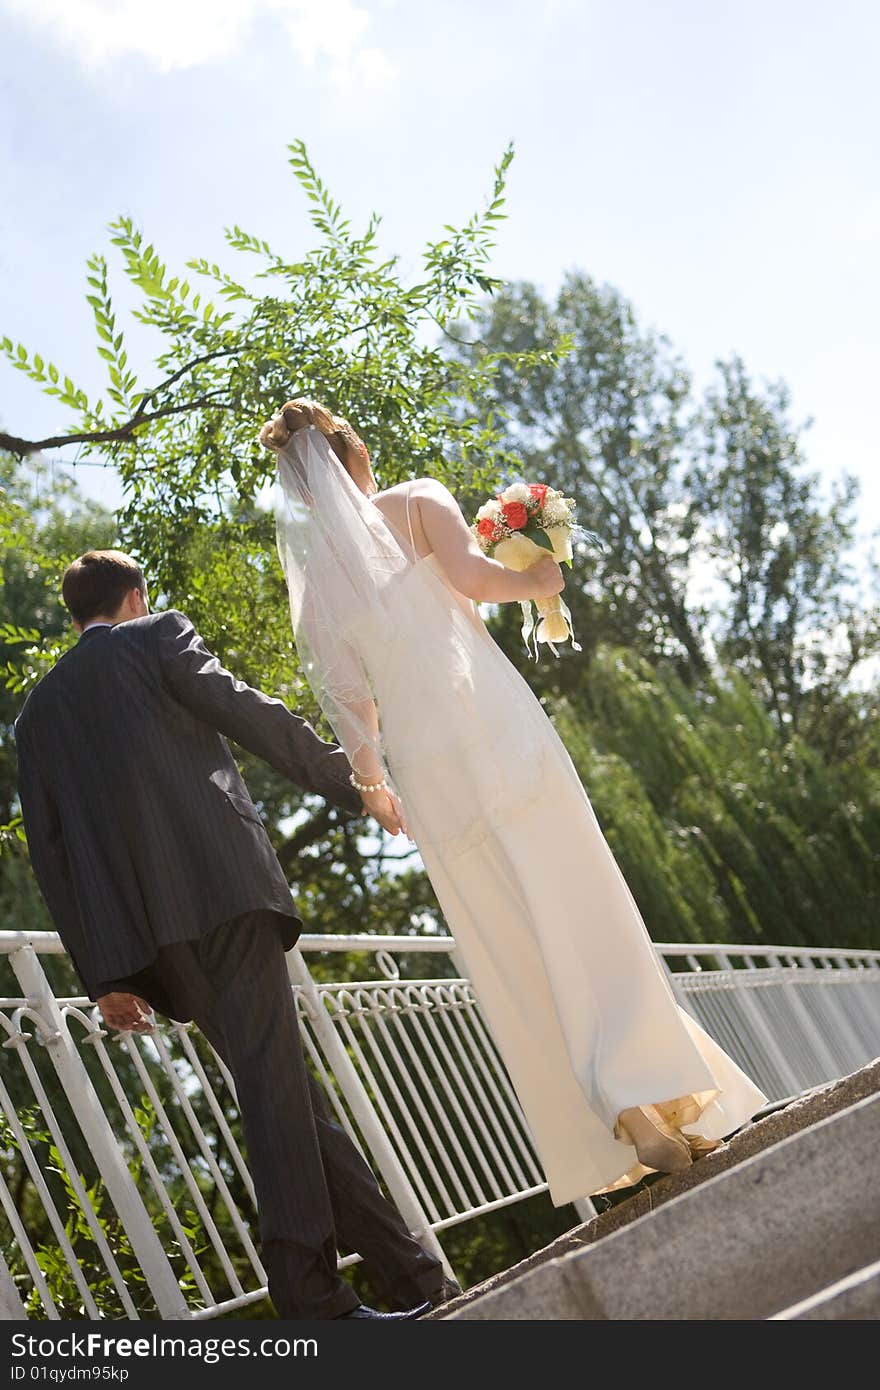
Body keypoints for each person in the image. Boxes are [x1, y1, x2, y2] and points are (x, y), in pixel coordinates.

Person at [264, 399, 769, 1204]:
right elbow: (474, 579)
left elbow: (352, 703)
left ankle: (622, 1112)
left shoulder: (317, 581)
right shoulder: (417, 499)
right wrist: (539, 579)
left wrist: (373, 786)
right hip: (497, 733)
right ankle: (643, 1082)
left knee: (508, 938)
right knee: (581, 899)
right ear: (355, 454)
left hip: (430, 776)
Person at [14, 549, 459, 1320]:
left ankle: (415, 1275)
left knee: (277, 1090)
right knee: (274, 1090)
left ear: (76, 610)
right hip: (224, 893)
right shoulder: (156, 636)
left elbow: (51, 855)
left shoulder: (37, 715)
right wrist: (354, 783)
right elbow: (248, 711)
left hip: (150, 944)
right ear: (135, 596)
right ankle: (311, 1299)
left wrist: (102, 976)